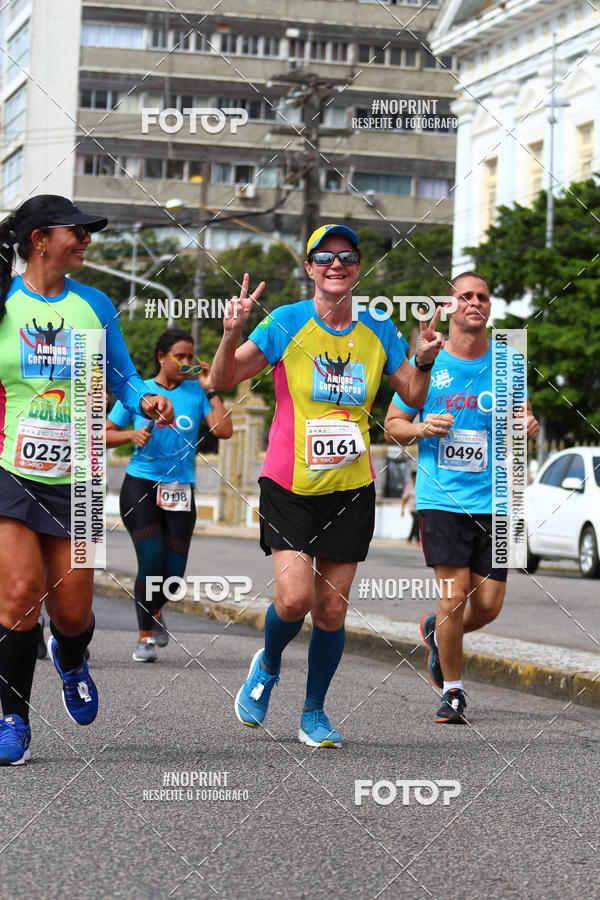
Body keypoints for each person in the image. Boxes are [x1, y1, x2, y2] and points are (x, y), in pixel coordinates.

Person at [211, 224, 444, 748]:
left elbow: (412, 391)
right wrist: (231, 333)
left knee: (332, 609)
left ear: (358, 268)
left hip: (350, 486)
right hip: (289, 483)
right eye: (325, 257)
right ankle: (267, 665)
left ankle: (313, 713)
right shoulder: (285, 321)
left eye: (347, 257)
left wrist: (425, 357)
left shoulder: (376, 329)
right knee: (293, 600)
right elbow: (222, 380)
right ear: (311, 267)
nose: (336, 264)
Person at [0, 195, 175, 766]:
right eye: (74, 231)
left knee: (72, 611)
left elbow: (121, 375)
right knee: (20, 594)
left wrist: (145, 399)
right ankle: (12, 718)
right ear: (39, 240)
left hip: (78, 476)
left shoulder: (93, 305)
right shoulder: (2, 302)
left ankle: (70, 658)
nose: (86, 240)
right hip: (11, 470)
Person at [384, 272, 540, 724]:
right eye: (465, 296)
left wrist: (530, 424)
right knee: (453, 598)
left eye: (483, 297)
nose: (476, 302)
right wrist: (421, 428)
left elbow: (523, 416)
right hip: (443, 499)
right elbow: (394, 422)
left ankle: (437, 633)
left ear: (490, 308)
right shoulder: (430, 362)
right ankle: (452, 691)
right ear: (450, 307)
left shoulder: (509, 362)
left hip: (499, 501)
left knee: (487, 606)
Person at [106, 327, 232, 661]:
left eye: (192, 357)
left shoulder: (196, 391)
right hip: (141, 486)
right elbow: (103, 434)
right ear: (162, 357)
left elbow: (224, 430)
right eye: (181, 356)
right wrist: (132, 434)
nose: (188, 362)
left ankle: (155, 610)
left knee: (173, 578)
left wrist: (211, 387)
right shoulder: (140, 392)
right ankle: (144, 637)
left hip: (180, 489)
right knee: (151, 562)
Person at [400, 471, 419, 542]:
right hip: (412, 508)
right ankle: (417, 539)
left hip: (419, 508)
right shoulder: (409, 487)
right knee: (416, 521)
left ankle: (410, 538)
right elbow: (404, 499)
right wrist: (402, 510)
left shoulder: (419, 486)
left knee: (417, 522)